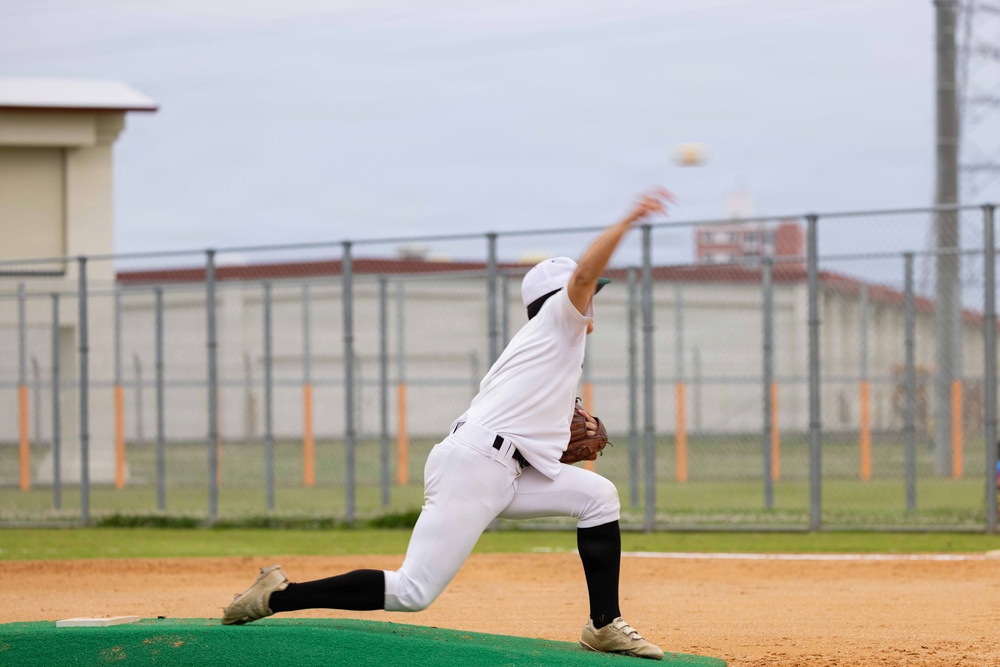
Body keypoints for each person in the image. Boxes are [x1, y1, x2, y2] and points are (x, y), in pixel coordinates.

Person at [221, 188, 675, 660]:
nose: (592, 298)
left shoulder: (550, 349)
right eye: (590, 292)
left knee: (598, 497)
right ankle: (276, 596)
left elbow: (549, 435)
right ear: (558, 299)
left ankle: (604, 624)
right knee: (412, 590)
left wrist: (565, 442)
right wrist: (627, 221)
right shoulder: (558, 322)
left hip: (503, 469)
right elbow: (582, 274)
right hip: (475, 467)